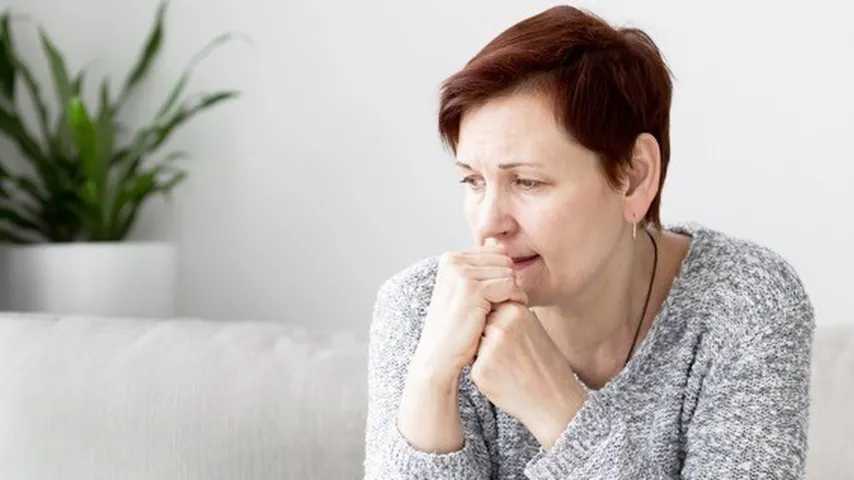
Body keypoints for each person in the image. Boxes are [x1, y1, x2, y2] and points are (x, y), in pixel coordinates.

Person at [363, 5, 815, 479]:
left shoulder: (744, 303)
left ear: (635, 177)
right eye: (473, 182)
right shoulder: (419, 312)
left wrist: (555, 407)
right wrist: (432, 381)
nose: (490, 223)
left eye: (528, 182)